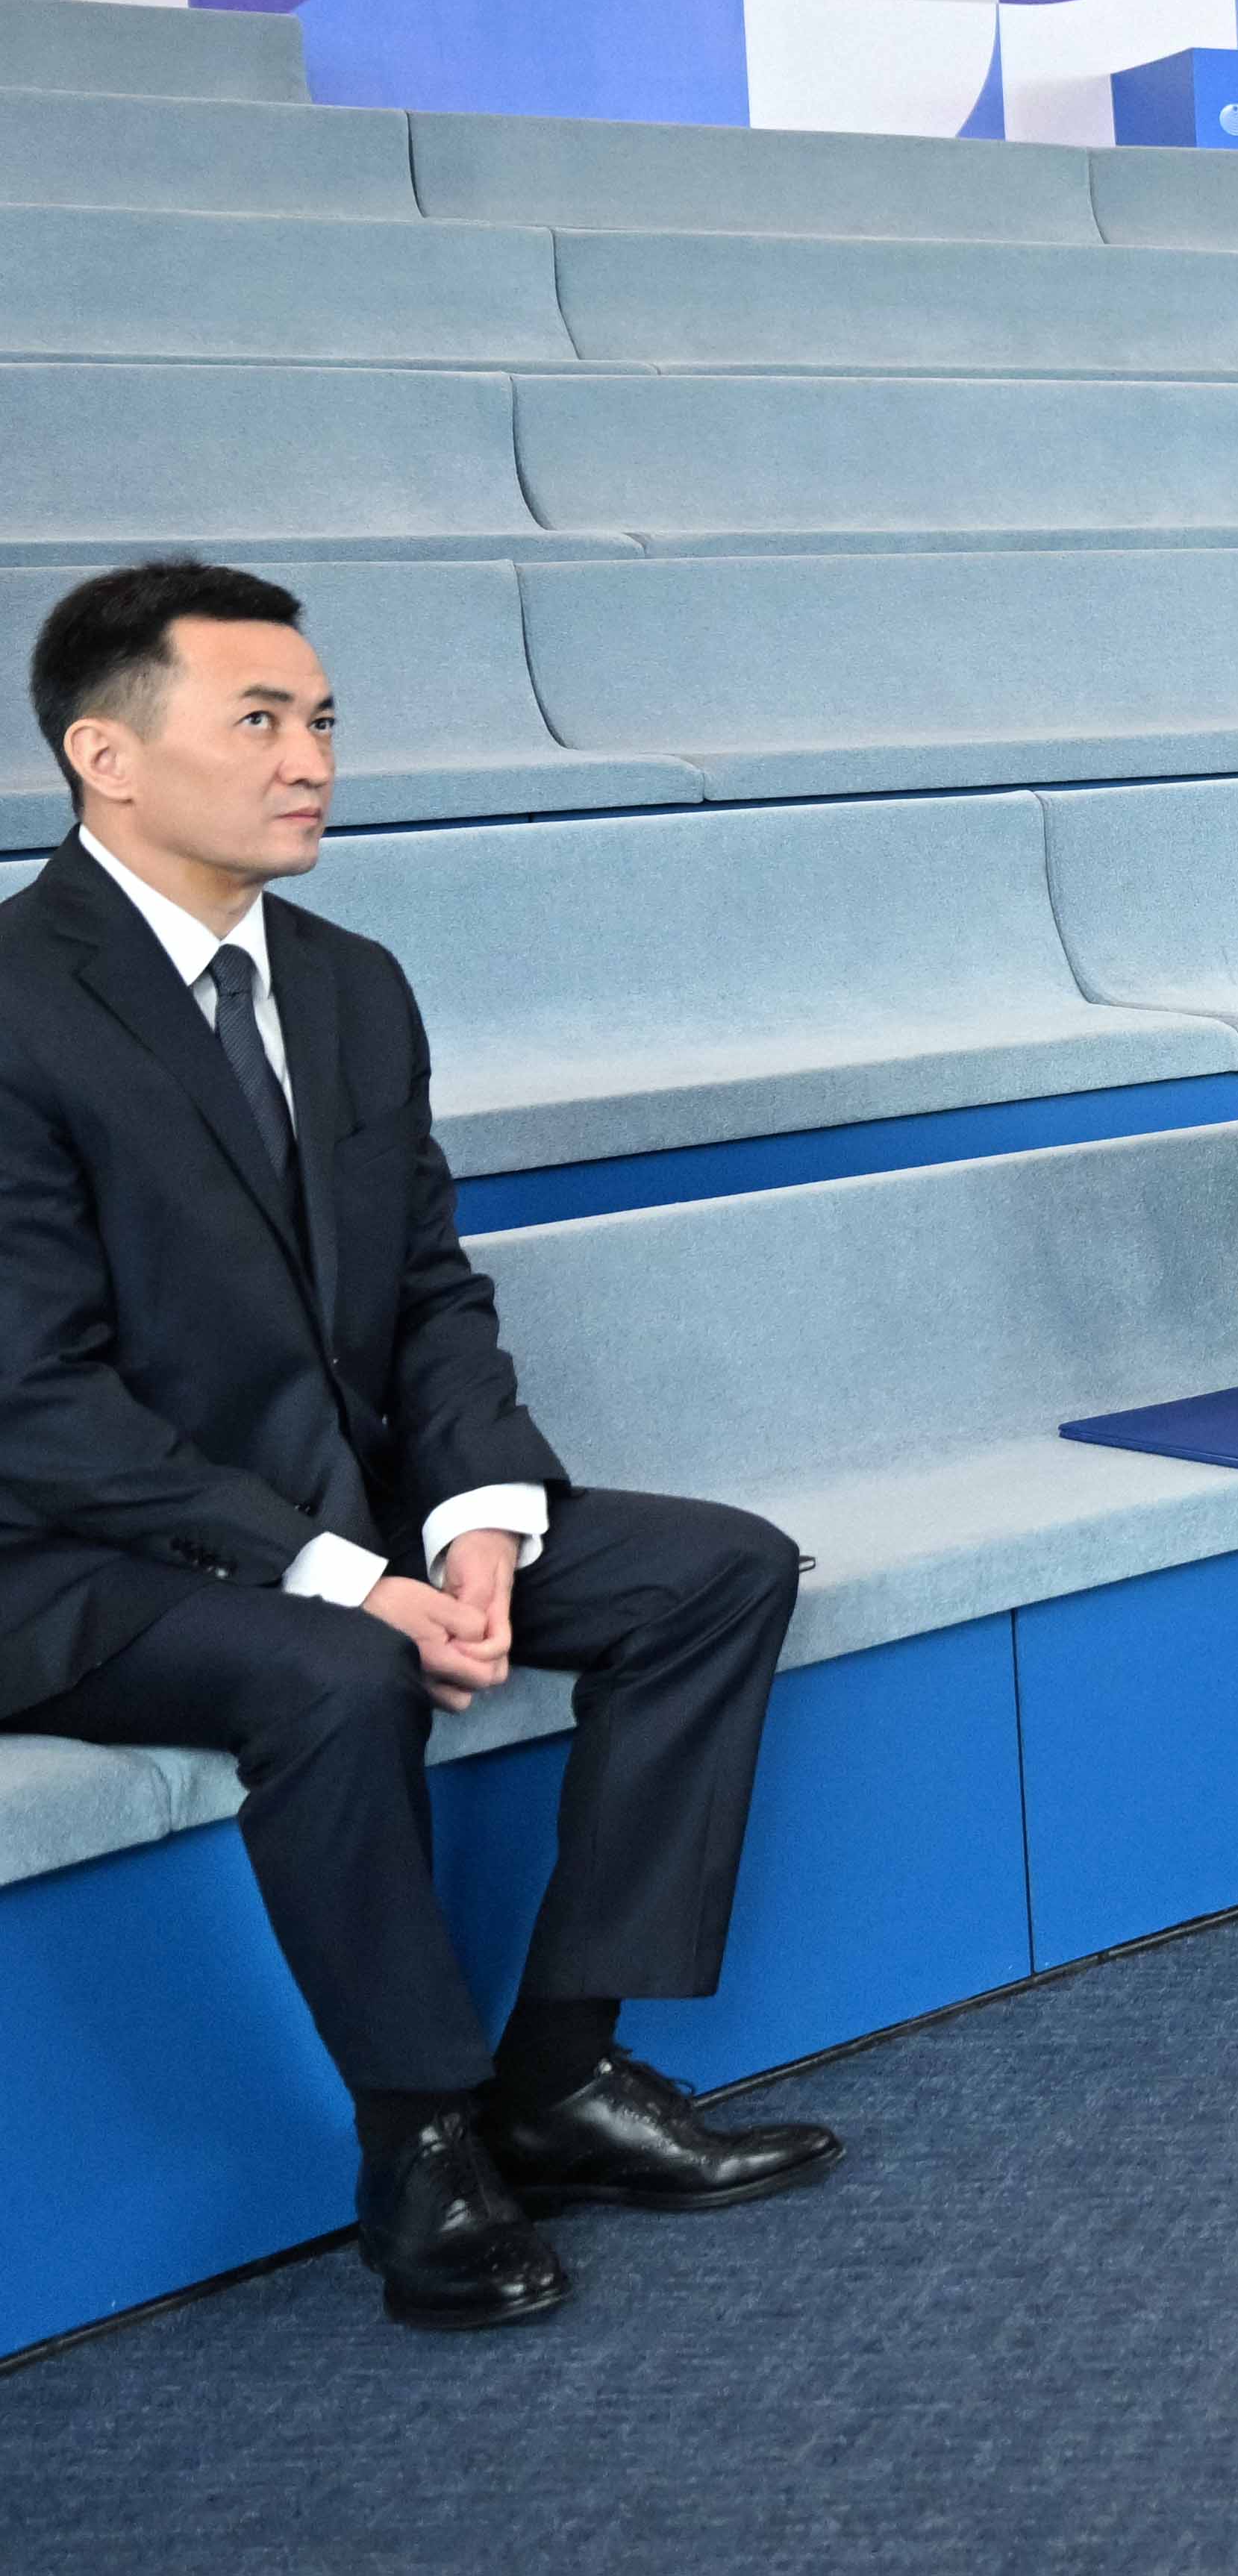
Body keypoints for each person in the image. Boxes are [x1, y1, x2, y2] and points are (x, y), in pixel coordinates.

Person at [1, 564, 835, 2334]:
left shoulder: (351, 985)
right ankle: (422, 2143)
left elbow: (429, 1294)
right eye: (258, 720)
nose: (310, 759)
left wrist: (475, 1520)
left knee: (714, 1571)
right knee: (332, 1675)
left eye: (320, 721)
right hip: (68, 1551)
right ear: (105, 756)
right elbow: (33, 1401)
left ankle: (564, 2073)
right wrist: (343, 1577)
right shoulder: (12, 1000)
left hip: (339, 1504)